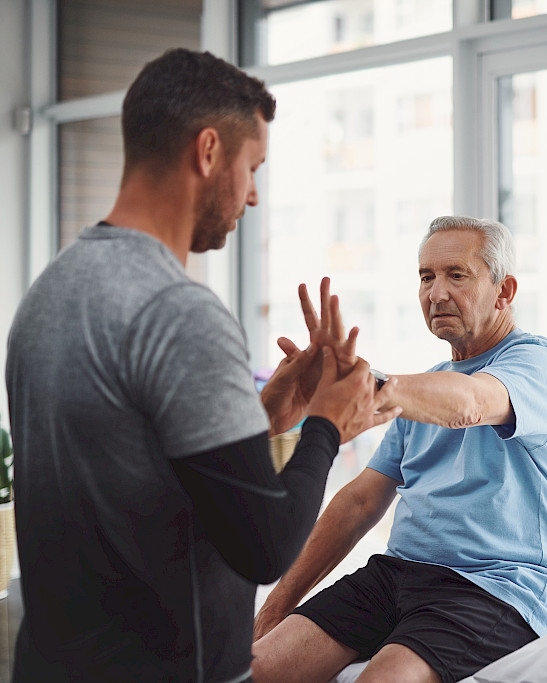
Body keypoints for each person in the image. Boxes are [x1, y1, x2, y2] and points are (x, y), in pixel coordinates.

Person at [4, 48, 399, 682]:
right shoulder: (179, 311)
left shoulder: (48, 293)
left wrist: (262, 419)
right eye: (252, 168)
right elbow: (264, 543)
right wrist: (326, 425)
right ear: (209, 150)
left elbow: (127, 462)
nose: (253, 197)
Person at [251, 216, 547, 683]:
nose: (437, 292)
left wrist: (359, 386)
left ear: (505, 291)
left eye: (457, 274)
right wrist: (275, 609)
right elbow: (359, 502)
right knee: (254, 670)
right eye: (426, 277)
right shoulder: (422, 388)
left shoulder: (538, 362)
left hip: (499, 587)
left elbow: (470, 403)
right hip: (397, 576)